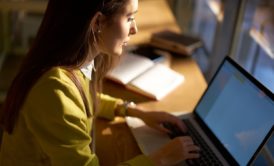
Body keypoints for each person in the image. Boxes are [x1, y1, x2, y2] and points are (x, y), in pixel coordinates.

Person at [0, 0, 200, 165]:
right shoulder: (54, 88)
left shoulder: (74, 63)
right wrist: (161, 158)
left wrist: (132, 111)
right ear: (97, 23)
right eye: (129, 17)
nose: (135, 28)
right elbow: (67, 101)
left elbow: (82, 101)